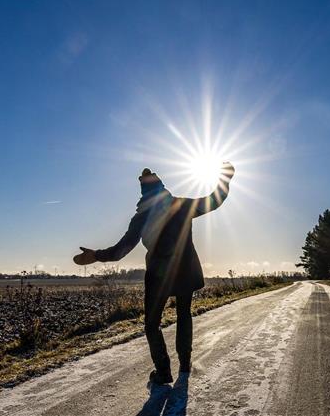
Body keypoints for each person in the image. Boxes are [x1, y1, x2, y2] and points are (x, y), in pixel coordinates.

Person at [74, 163, 235, 385]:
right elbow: (214, 200)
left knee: (152, 324)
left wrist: (96, 256)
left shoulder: (141, 217)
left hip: (159, 274)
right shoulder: (180, 205)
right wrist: (225, 179)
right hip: (185, 269)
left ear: (143, 193)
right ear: (162, 187)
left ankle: (163, 371)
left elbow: (121, 251)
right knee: (183, 315)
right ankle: (185, 364)